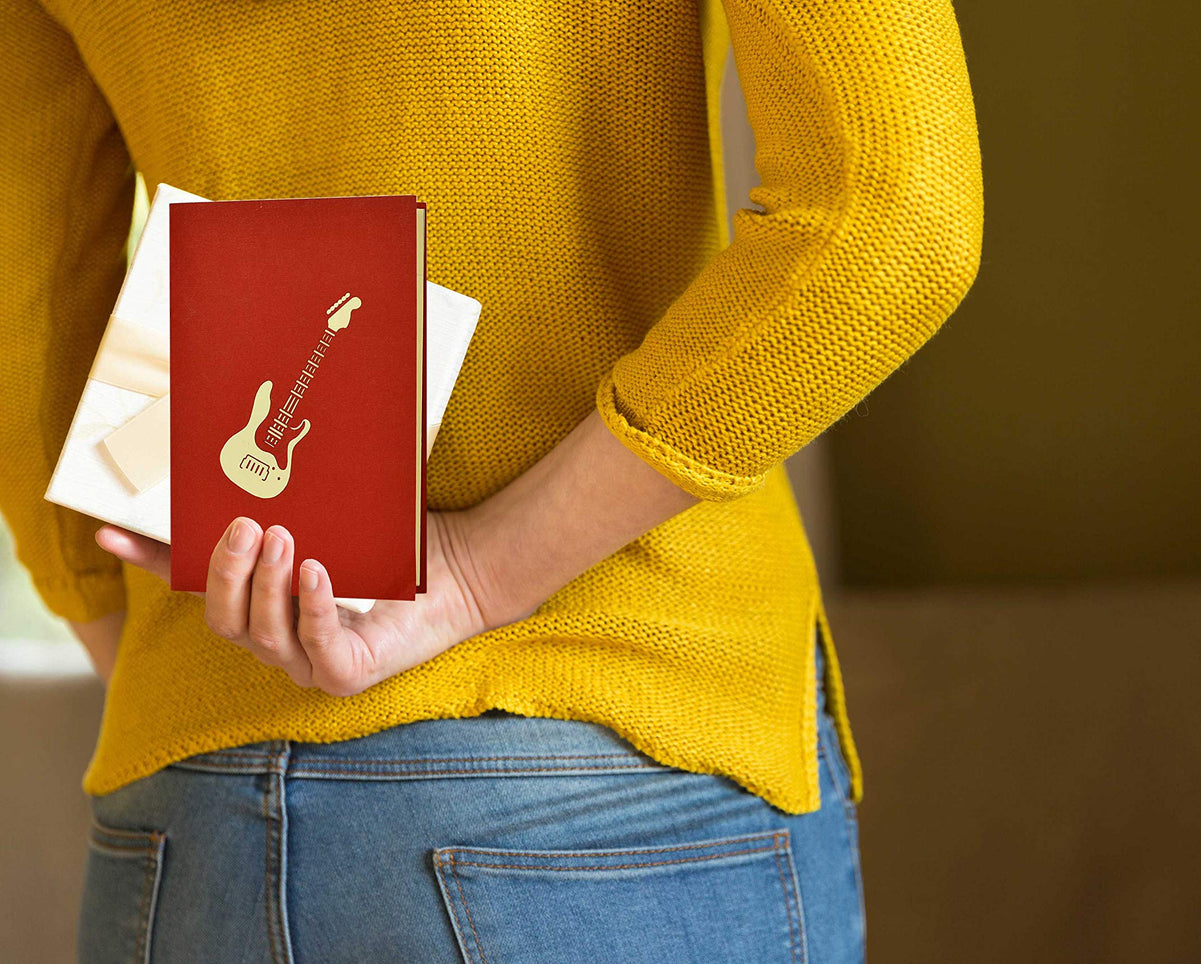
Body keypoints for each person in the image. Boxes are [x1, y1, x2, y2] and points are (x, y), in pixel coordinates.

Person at [0, 0, 983, 960]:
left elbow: (26, 322)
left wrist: (169, 667)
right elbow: (890, 213)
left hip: (187, 812)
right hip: (609, 732)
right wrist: (480, 570)